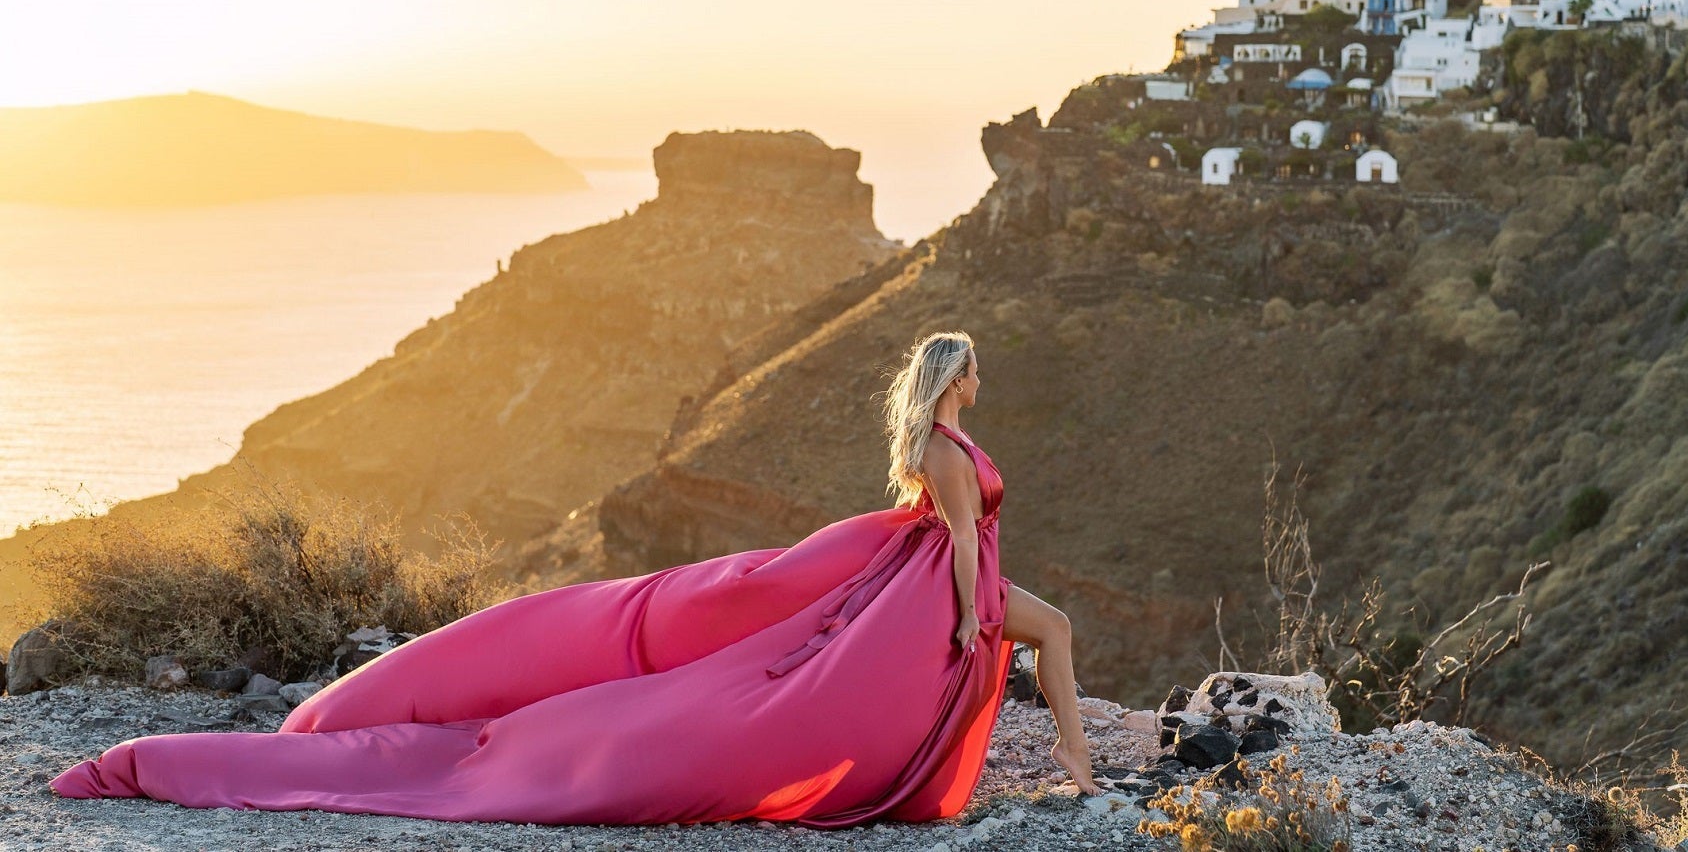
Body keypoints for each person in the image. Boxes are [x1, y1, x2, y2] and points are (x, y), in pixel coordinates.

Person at [50, 329, 1101, 823]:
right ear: (950, 378)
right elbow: (960, 542)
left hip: (923, 580)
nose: (981, 375)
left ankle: (1073, 755)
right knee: (1042, 629)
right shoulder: (945, 453)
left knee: (1051, 627)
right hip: (933, 588)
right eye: (972, 366)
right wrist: (962, 623)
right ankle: (1076, 759)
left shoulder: (948, 444)